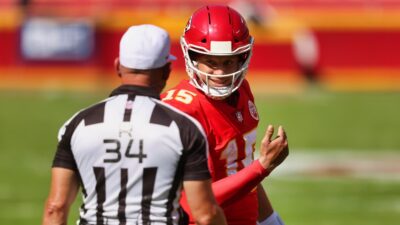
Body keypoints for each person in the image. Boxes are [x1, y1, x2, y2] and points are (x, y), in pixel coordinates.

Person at [42, 24, 227, 225]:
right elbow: (205, 214)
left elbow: (56, 208)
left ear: (117, 66)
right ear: (166, 71)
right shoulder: (184, 128)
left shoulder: (78, 124)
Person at [161, 5, 289, 225]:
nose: (220, 73)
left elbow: (242, 171)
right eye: (211, 62)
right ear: (192, 56)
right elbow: (192, 204)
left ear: (242, 58)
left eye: (228, 62)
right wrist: (262, 166)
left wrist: (271, 221)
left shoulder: (242, 92)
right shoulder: (181, 111)